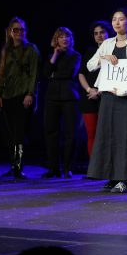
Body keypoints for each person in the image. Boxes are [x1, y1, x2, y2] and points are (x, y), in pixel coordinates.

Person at [86, 8, 127, 194]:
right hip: (108, 98)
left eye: (121, 19)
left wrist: (121, 90)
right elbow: (90, 66)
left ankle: (126, 179)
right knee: (108, 136)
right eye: (114, 19)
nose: (117, 23)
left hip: (126, 98)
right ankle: (111, 177)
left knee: (126, 138)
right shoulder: (106, 44)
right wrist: (102, 58)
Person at [0, 17, 40, 179]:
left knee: (19, 133)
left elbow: (34, 74)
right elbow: (1, 74)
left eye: (21, 30)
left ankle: (18, 167)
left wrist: (30, 94)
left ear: (25, 32)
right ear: (9, 32)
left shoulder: (31, 49)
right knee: (10, 133)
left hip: (23, 95)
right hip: (7, 96)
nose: (18, 33)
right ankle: (12, 165)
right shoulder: (6, 50)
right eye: (15, 30)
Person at [41, 27, 82, 178]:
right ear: (56, 39)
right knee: (51, 132)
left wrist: (54, 74)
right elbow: (45, 73)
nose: (64, 39)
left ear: (71, 40)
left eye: (67, 37)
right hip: (52, 98)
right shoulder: (52, 56)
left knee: (71, 133)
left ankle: (67, 168)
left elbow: (69, 73)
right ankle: (53, 168)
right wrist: (54, 57)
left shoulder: (76, 55)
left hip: (70, 97)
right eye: (61, 37)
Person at [78, 21, 110, 158]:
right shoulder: (90, 51)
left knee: (107, 134)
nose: (99, 36)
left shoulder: (114, 50)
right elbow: (81, 73)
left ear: (109, 33)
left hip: (107, 96)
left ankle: (107, 167)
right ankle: (94, 168)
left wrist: (100, 91)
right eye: (96, 33)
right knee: (91, 133)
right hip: (89, 97)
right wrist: (89, 90)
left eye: (102, 32)